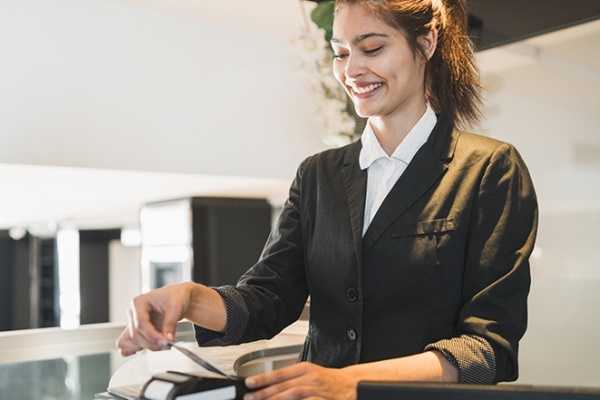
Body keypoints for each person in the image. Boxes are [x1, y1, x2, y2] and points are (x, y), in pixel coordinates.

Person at [117, 0, 538, 399]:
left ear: (426, 42)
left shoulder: (489, 169)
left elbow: (487, 351)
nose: (351, 70)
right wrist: (189, 299)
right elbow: (266, 300)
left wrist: (349, 382)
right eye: (340, 53)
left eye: (372, 48)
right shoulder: (318, 176)